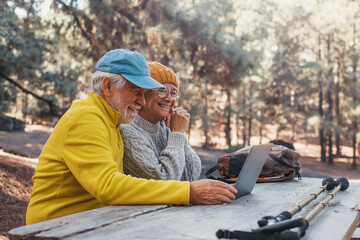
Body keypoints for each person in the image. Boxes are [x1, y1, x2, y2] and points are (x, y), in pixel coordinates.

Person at [26, 49, 237, 225]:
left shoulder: (113, 120)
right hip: (56, 225)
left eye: (144, 93)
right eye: (135, 90)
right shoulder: (86, 117)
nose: (142, 101)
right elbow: (108, 186)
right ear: (107, 86)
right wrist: (188, 192)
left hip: (92, 220)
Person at [120, 62, 201, 181]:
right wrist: (177, 134)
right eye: (162, 90)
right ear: (144, 93)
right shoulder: (128, 131)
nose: (169, 98)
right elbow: (164, 182)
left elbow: (191, 176)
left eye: (174, 93)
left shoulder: (167, 127)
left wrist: (179, 133)